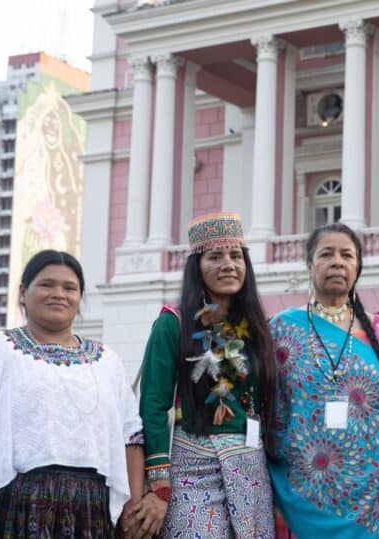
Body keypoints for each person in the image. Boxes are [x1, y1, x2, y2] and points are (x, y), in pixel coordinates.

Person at [0, 250, 145, 538]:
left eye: (69, 288)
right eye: (47, 284)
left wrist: (132, 510)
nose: (59, 294)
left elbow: (130, 438)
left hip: (89, 514)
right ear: (23, 292)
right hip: (10, 507)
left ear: (80, 297)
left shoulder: (108, 362)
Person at [267, 222, 379, 539]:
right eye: (327, 254)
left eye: (347, 255)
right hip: (297, 491)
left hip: (370, 496)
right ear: (309, 264)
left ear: (357, 267)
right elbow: (266, 405)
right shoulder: (281, 328)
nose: (337, 262)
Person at [134, 211, 276, 538]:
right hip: (192, 466)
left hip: (251, 468)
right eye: (215, 256)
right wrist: (159, 483)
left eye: (236, 256)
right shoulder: (173, 323)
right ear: (196, 267)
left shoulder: (258, 328)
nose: (228, 264)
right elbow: (153, 405)